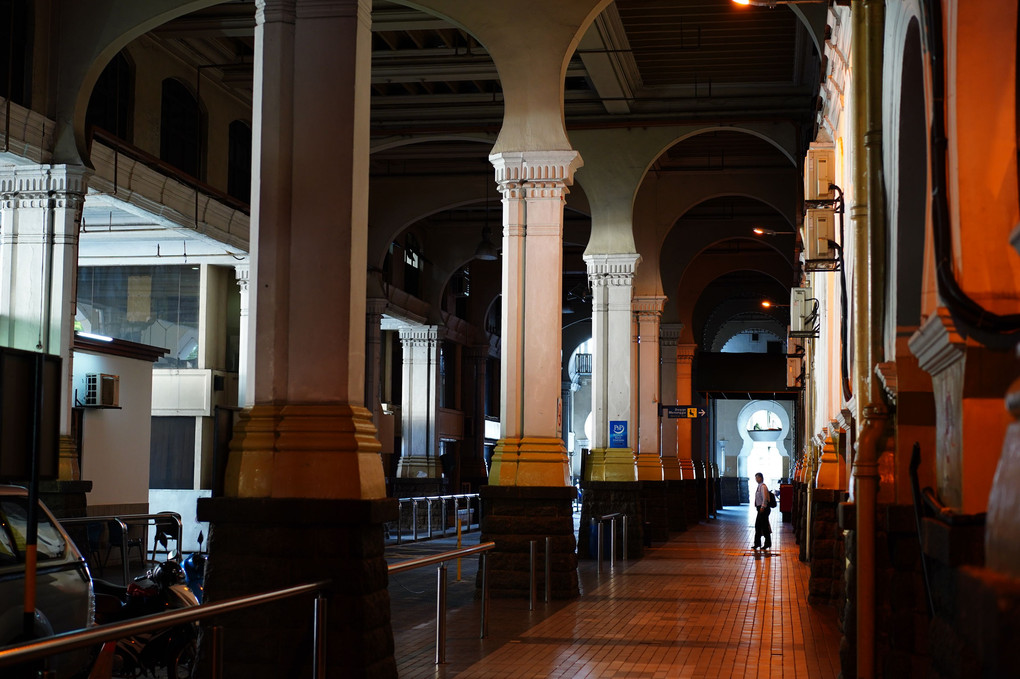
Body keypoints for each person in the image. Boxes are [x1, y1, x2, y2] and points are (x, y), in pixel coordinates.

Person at [752, 472, 772, 552]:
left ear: (761, 478)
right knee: (759, 526)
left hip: (763, 509)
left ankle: (766, 543)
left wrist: (763, 506)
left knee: (763, 526)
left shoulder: (763, 487)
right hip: (760, 509)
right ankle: (757, 543)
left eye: (758, 477)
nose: (756, 479)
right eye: (756, 478)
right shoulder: (759, 486)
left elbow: (765, 498)